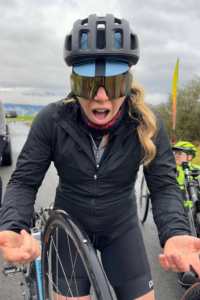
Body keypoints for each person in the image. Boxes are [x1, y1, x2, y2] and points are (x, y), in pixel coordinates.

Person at [0, 14, 200, 300]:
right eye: (88, 85)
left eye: (114, 84)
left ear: (128, 82)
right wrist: (12, 225)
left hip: (121, 227)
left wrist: (177, 233)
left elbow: (165, 186)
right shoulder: (52, 120)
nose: (102, 97)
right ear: (73, 83)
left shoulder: (148, 122)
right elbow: (23, 182)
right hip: (69, 225)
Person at [172, 141, 200, 207]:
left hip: (195, 209)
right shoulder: (168, 169)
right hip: (174, 207)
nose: (175, 156)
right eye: (175, 153)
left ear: (189, 157)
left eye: (179, 153)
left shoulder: (198, 169)